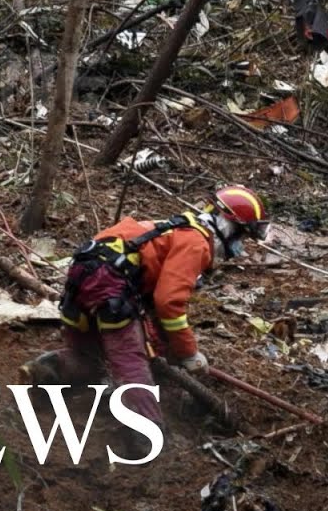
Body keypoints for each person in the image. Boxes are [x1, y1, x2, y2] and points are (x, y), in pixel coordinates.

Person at [19, 185, 272, 432]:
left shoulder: (175, 228)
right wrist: (189, 353)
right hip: (110, 286)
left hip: (84, 276)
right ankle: (145, 435)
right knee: (131, 362)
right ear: (227, 225)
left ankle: (46, 371)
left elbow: (152, 305)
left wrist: (166, 349)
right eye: (241, 236)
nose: (240, 245)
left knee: (91, 355)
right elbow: (169, 303)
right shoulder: (196, 243)